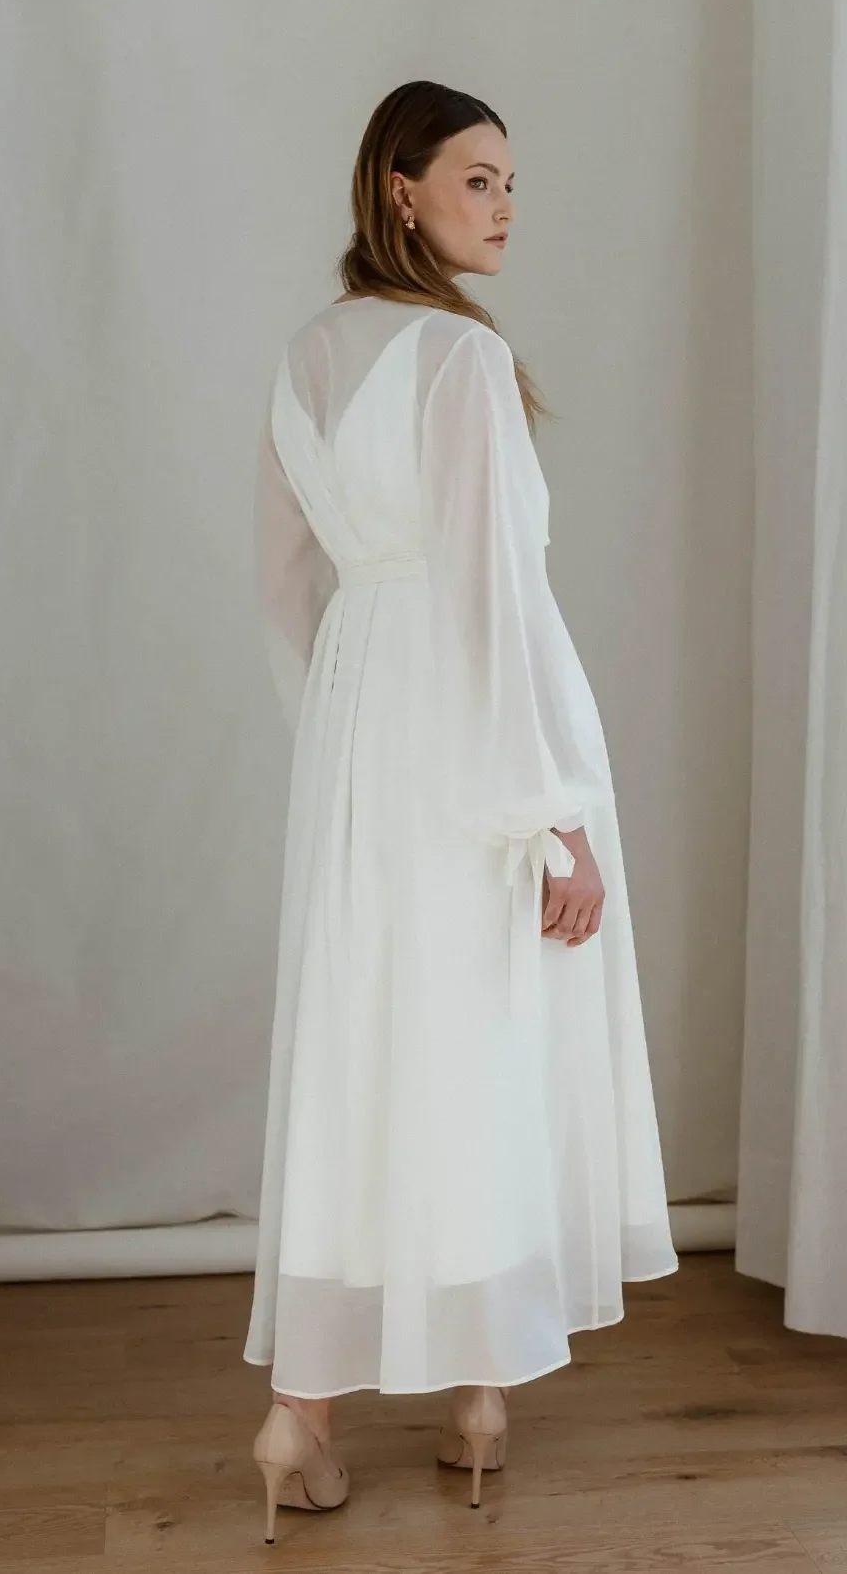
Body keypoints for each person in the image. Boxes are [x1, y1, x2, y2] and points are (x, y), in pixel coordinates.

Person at [243, 79, 677, 1545]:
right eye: (478, 179)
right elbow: (494, 600)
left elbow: (283, 585)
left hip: (364, 739)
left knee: (360, 1053)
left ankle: (298, 1416)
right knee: (478, 1042)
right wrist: (549, 811)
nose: (505, 205)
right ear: (400, 188)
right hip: (479, 732)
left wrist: (346, 747)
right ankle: (482, 1393)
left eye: (511, 183)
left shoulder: (310, 355)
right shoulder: (458, 362)